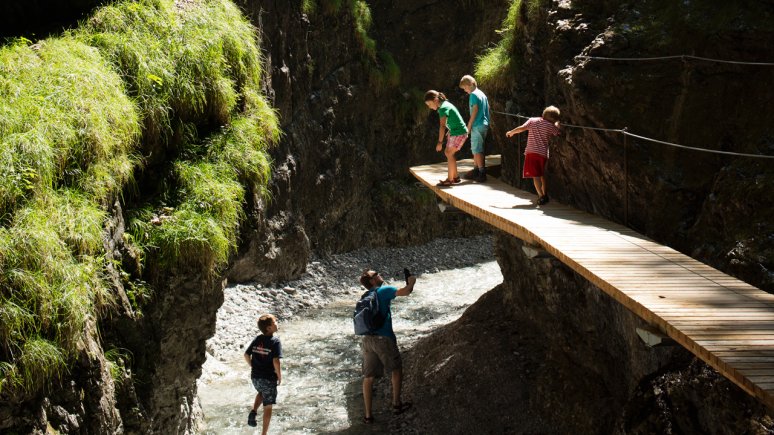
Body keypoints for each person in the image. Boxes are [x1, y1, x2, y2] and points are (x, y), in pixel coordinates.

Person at [359, 269, 416, 424]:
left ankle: (368, 416)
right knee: (396, 369)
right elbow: (406, 292)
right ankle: (396, 404)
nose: (379, 274)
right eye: (376, 274)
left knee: (369, 377)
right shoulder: (384, 290)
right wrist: (411, 282)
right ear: (372, 281)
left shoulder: (365, 296)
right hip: (384, 339)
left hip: (367, 340)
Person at [505, 106, 561, 205]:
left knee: (535, 176)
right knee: (542, 174)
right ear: (553, 119)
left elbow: (522, 128)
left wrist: (511, 132)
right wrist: (556, 124)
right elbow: (558, 132)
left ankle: (541, 196)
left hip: (531, 152)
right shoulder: (550, 126)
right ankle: (545, 194)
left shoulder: (532, 120)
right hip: (543, 154)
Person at [244, 314, 283, 434]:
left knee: (261, 392)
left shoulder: (257, 339)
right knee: (268, 406)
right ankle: (264, 434)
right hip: (268, 378)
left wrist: (252, 366)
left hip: (255, 377)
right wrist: (279, 376)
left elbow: (246, 355)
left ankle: (254, 411)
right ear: (269, 328)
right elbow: (276, 361)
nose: (277, 323)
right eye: (274, 322)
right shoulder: (275, 341)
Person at [424, 90, 469, 186]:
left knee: (449, 153)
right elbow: (453, 118)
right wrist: (451, 128)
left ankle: (450, 179)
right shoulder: (445, 104)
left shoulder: (443, 108)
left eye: (429, 104)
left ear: (435, 100)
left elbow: (442, 126)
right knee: (449, 153)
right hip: (455, 131)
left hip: (459, 132)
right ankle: (455, 177)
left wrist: (440, 142)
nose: (429, 107)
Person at [459, 75, 490, 182]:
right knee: (477, 148)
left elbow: (475, 110)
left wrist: (469, 125)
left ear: (471, 84)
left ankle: (481, 173)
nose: (465, 90)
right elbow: (487, 108)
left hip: (477, 124)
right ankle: (476, 170)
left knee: (477, 150)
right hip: (484, 124)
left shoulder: (473, 95)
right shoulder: (482, 94)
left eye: (465, 88)